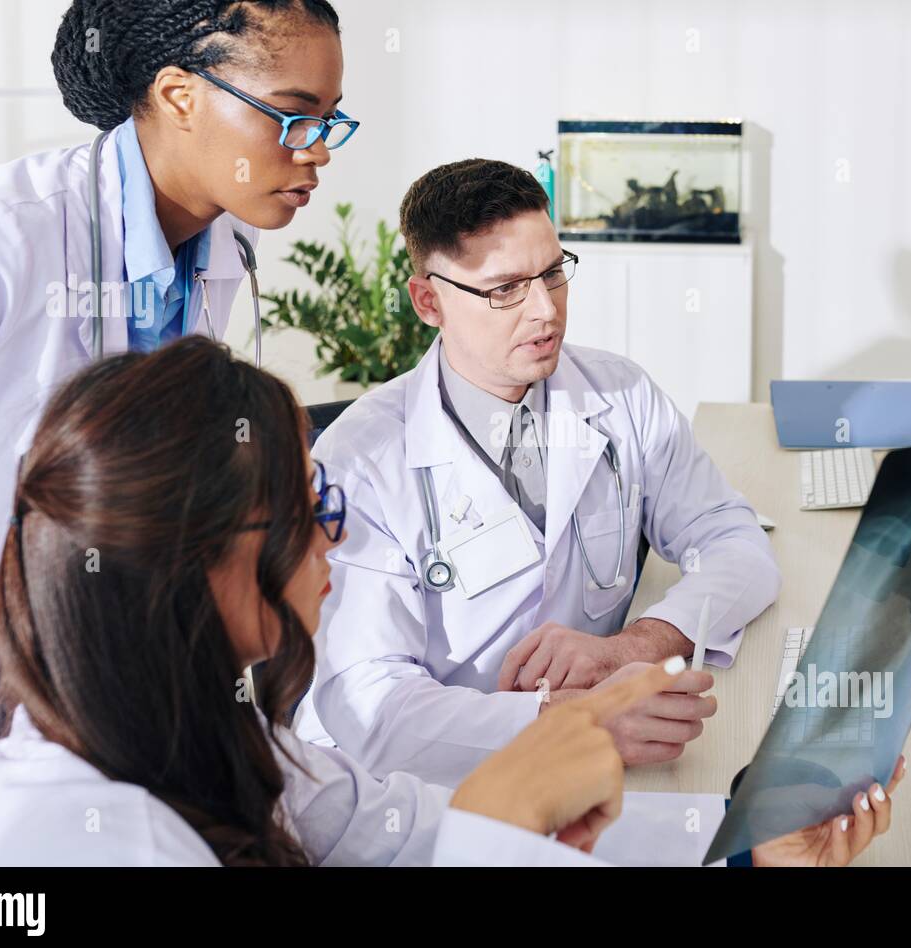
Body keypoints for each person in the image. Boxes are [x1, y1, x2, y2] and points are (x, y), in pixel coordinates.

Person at [0, 339, 902, 866]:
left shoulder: (218, 739)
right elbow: (422, 777)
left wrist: (740, 841)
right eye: (314, 506)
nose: (334, 536)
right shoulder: (73, 842)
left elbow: (400, 832)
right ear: (212, 564)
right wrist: (502, 813)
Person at [0, 0, 353, 864]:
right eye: (293, 115)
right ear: (178, 93)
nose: (317, 150)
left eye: (329, 121)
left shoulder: (217, 253)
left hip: (118, 660)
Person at [296, 159, 783, 786]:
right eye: (505, 290)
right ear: (427, 301)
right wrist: (568, 722)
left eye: (553, 273)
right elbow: (371, 708)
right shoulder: (359, 462)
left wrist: (634, 645)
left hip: (591, 771)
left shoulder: (620, 394)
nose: (545, 312)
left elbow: (736, 543)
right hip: (422, 791)